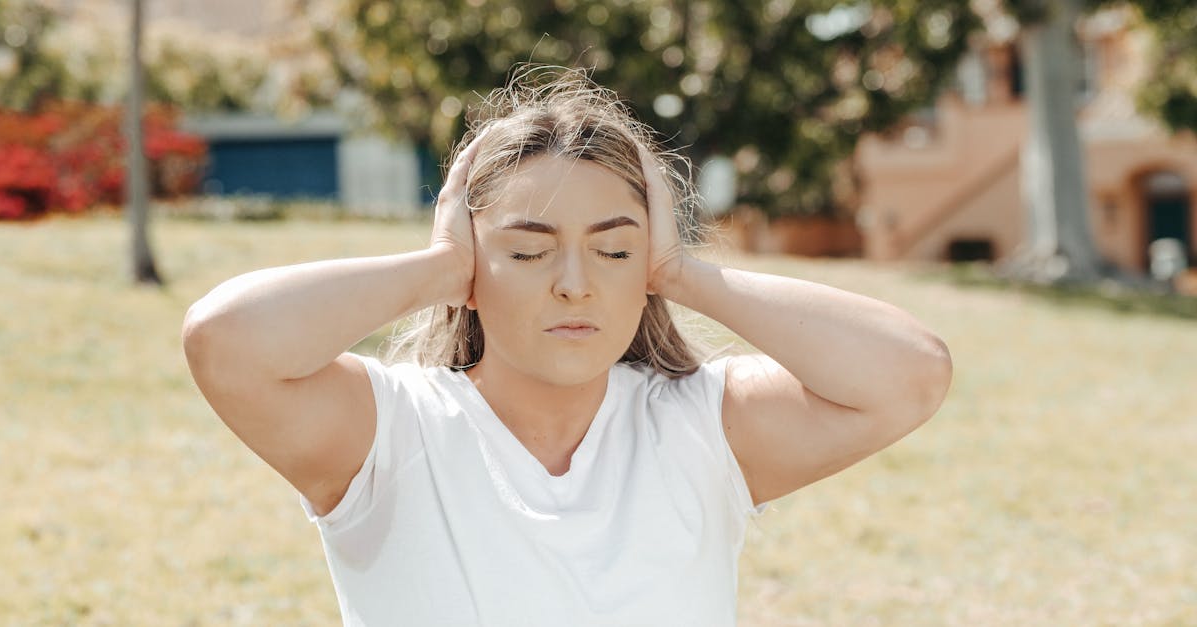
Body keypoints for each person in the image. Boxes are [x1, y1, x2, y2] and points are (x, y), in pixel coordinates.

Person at [181, 67, 953, 626]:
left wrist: (679, 272)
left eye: (615, 252)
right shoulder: (387, 431)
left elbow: (911, 373)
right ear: (474, 262)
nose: (575, 284)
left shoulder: (703, 425)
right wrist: (438, 271)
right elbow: (226, 342)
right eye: (528, 251)